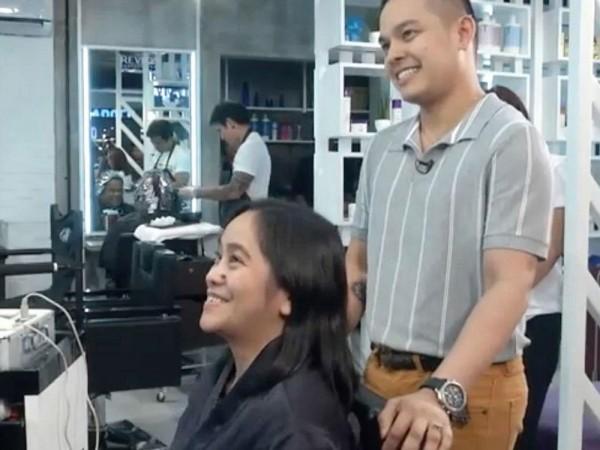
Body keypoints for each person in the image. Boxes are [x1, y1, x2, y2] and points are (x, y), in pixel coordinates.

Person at [345, 1, 554, 449]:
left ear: (463, 33)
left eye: (409, 34)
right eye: (386, 44)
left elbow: (510, 285)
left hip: (467, 391)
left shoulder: (510, 139)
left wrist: (439, 392)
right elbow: (358, 266)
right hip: (378, 377)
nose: (393, 54)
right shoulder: (383, 149)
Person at [170, 199, 356, 450]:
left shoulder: (296, 428)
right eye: (218, 257)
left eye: (235, 260)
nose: (212, 275)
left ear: (290, 293)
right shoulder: (222, 375)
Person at [488, 85, 565, 450]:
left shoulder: (551, 167)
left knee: (522, 426)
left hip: (537, 316)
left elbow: (551, 249)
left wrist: (504, 289)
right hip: (491, 317)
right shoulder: (487, 170)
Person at [178, 102, 272, 224]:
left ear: (230, 124)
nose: (222, 137)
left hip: (248, 219)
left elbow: (234, 191)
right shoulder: (253, 143)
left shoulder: (250, 147)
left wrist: (195, 192)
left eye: (220, 130)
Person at [146, 119, 191, 188]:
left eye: (158, 143)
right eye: (153, 143)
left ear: (170, 139)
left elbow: (180, 184)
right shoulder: (156, 154)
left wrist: (160, 188)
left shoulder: (182, 155)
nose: (156, 147)